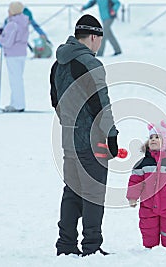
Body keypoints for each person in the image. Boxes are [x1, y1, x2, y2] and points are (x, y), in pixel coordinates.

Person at [50, 14, 119, 256]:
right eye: (99, 39)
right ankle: (92, 246)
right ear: (93, 37)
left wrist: (70, 125)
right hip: (91, 141)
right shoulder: (91, 64)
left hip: (68, 139)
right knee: (93, 192)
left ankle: (66, 244)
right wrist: (111, 135)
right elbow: (101, 104)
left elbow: (55, 101)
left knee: (71, 191)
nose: (99, 45)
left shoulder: (58, 63)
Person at [126, 121, 166, 249]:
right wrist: (132, 197)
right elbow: (135, 181)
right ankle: (149, 253)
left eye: (157, 137)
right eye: (151, 138)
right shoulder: (143, 163)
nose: (153, 140)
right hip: (148, 206)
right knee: (148, 230)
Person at [0, 2, 29, 112]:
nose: (8, 11)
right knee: (17, 79)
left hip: (13, 54)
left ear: (14, 11)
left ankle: (18, 105)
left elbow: (8, 42)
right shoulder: (23, 22)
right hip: (21, 53)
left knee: (15, 80)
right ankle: (15, 103)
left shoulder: (13, 24)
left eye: (9, 9)